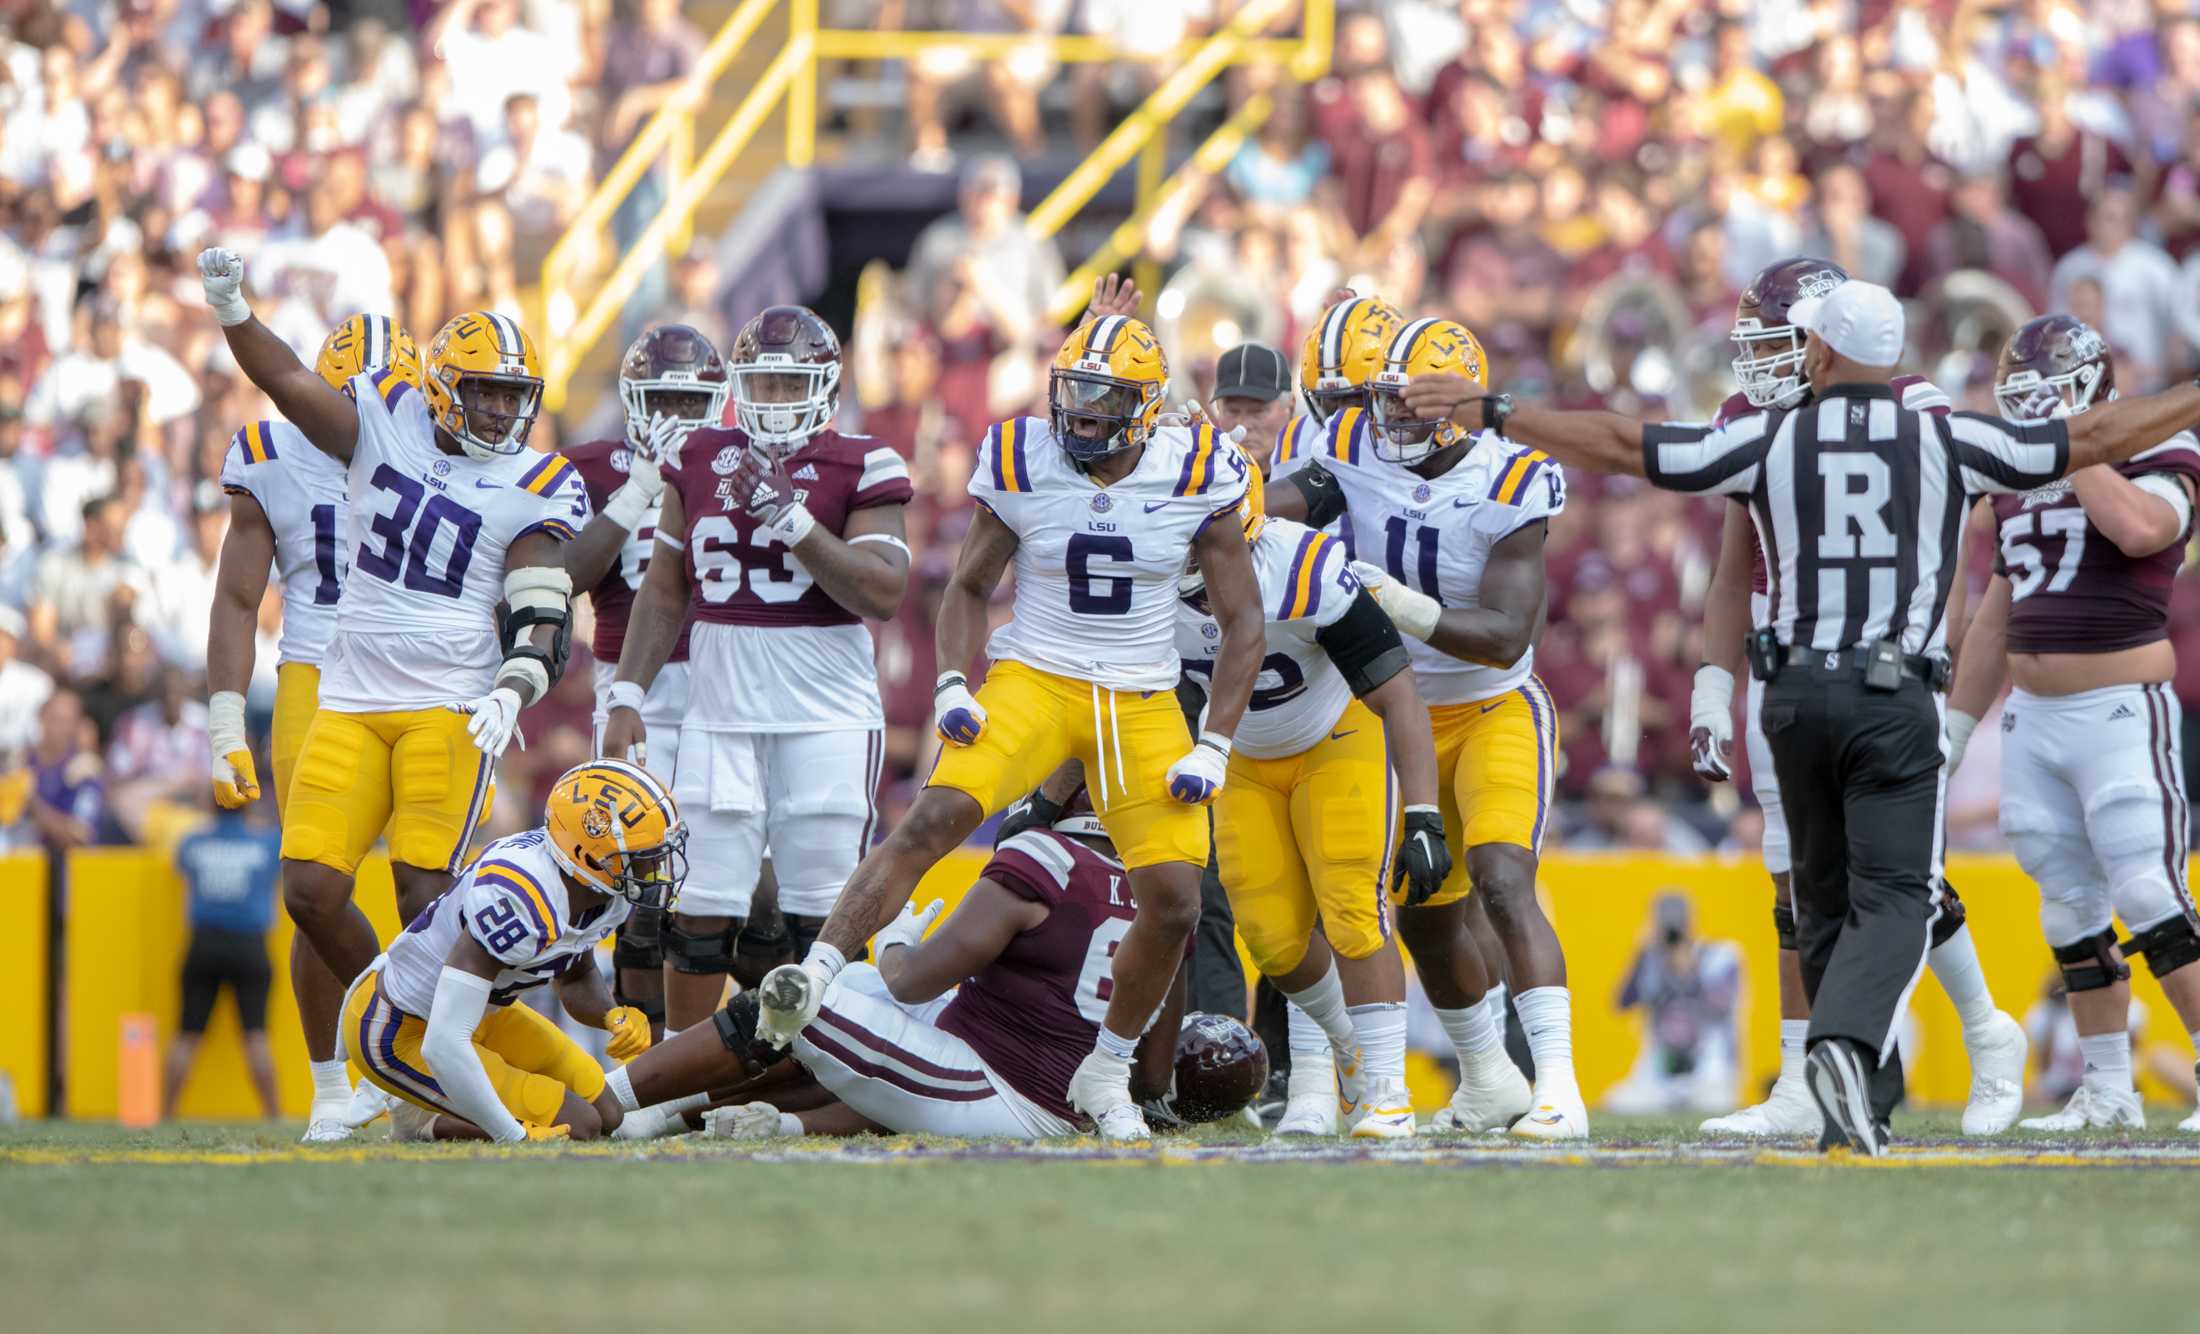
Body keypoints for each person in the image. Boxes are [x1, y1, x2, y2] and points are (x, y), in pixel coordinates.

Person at [1404, 280, 2200, 1155]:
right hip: (1892, 689)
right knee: (1892, 893)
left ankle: (1856, 1062)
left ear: (1820, 351)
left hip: (1791, 694)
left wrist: (1499, 410)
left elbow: (1628, 444)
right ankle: (1843, 1057)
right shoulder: (1945, 431)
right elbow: (2096, 436)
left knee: (1822, 896)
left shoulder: (1770, 434)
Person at [751, 311, 1264, 1141]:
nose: (1084, 416)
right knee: (936, 815)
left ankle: (1107, 1072)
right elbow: (966, 587)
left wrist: (1216, 741)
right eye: (1076, 396)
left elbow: (1244, 623)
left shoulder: (1198, 470)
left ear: (1144, 406)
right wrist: (955, 681)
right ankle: (815, 973)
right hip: (1037, 676)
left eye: (1104, 401)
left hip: (1138, 695)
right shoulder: (1022, 454)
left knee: (1175, 898)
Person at [197, 248, 592, 1140]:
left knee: (426, 898)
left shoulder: (532, 480)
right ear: (441, 387)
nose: (503, 407)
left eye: (511, 392)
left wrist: (516, 684)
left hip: (450, 705)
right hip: (344, 692)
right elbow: (292, 384)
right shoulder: (381, 422)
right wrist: (233, 311)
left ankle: (471, 1057)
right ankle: (396, 1042)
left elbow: (542, 606)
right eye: (485, 390)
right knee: (308, 890)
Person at [1686, 258, 2027, 1140]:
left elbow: (1945, 537)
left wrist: (1930, 651)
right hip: (1782, 646)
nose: (1764, 359)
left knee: (1902, 875)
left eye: (1783, 339)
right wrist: (1711, 683)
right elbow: (1733, 572)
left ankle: (1986, 1034)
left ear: (1828, 338)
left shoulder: (1911, 408)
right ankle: (1813, 1073)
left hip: (1879, 640)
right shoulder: (1746, 418)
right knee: (1796, 870)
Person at [1267, 316, 1572, 1137]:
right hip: (1388, 711)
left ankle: (1560, 1090)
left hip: (1493, 704)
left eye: (1410, 405)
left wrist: (1394, 603)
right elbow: (1284, 503)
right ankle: (1489, 1081)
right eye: (1383, 402)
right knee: (1424, 919)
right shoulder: (1354, 444)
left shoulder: (1512, 478)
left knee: (1503, 878)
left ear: (1456, 405)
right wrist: (1208, 496)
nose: (1388, 420)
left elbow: (1507, 633)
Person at [602, 306, 913, 1056]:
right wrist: (627, 692)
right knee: (698, 907)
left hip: (826, 715)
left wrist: (794, 521)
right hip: (719, 711)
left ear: (825, 387)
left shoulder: (864, 463)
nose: (773, 398)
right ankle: (677, 1071)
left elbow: (882, 590)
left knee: (821, 912)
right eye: (762, 384)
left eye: (789, 383)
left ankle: (825, 1066)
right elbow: (666, 591)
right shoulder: (701, 455)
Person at [1948, 315, 2200, 1133]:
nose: (2032, 410)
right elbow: (1997, 612)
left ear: (2090, 387)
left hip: (2121, 713)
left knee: (2150, 892)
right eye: (2019, 396)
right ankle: (2108, 1088)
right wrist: (1953, 730)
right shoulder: (2017, 470)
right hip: (2033, 717)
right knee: (2067, 905)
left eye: (2046, 395)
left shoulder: (2163, 449)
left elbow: (2141, 530)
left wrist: (2077, 444)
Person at [609, 785, 1185, 1140]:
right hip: (1054, 1096)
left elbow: (910, 983)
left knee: (800, 1001)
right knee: (854, 992)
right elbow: (1154, 1079)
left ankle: (613, 1099)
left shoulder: (1047, 858)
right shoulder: (1169, 902)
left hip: (995, 1087)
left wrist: (892, 945)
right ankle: (669, 1115)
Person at [1173, 487, 1449, 1137]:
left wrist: (1424, 813)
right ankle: (1352, 1046)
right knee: (1271, 936)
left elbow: (1398, 690)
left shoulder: (1305, 568)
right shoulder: (1148, 578)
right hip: (1240, 755)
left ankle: (1384, 1090)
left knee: (1354, 908)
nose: (1197, 556)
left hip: (1335, 736)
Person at [204, 312, 418, 1141]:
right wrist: (226, 719)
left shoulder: (444, 449)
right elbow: (235, 597)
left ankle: (418, 1052)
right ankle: (338, 1081)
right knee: (315, 892)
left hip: (419, 675)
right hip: (317, 677)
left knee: (426, 887)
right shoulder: (271, 455)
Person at [340, 759, 677, 1142]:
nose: (657, 866)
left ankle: (432, 1108)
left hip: (481, 1014)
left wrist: (611, 1015)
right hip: (402, 1029)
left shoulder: (598, 891)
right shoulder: (518, 897)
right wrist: (512, 1135)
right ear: (590, 855)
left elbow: (576, 974)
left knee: (609, 1113)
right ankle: (422, 1123)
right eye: (646, 853)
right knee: (581, 1125)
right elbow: (443, 1042)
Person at [562, 323, 728, 1040]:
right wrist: (635, 492)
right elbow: (561, 575)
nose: (677, 418)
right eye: (662, 399)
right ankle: (642, 1052)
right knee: (638, 877)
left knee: (732, 874)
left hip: (733, 682)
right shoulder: (594, 467)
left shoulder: (740, 463)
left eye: (692, 403)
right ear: (633, 399)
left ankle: (734, 1050)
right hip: (633, 687)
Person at [165, 793, 283, 1120]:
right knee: (256, 1034)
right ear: (247, 806)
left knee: (187, 1033)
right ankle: (273, 1113)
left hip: (204, 942)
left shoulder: (192, 843)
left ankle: (167, 1110)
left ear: (210, 804)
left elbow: (180, 864)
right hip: (250, 944)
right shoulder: (266, 844)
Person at [1602, 895, 1742, 1117]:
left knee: (1714, 1106)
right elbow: (1621, 1003)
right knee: (1618, 1102)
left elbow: (1722, 1005)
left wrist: (1691, 972)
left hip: (1709, 1071)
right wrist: (1639, 956)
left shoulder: (1721, 956)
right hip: (1659, 1074)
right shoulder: (1650, 959)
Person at [1270, 294, 1401, 481]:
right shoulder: (1297, 440)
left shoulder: (1416, 440)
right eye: (1331, 399)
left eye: (1357, 398)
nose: (1342, 414)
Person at [1202, 342, 1295, 448]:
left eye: (1258, 411)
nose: (1242, 426)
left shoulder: (1313, 458)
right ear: (1219, 409)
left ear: (1290, 408)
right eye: (1232, 411)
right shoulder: (1203, 461)